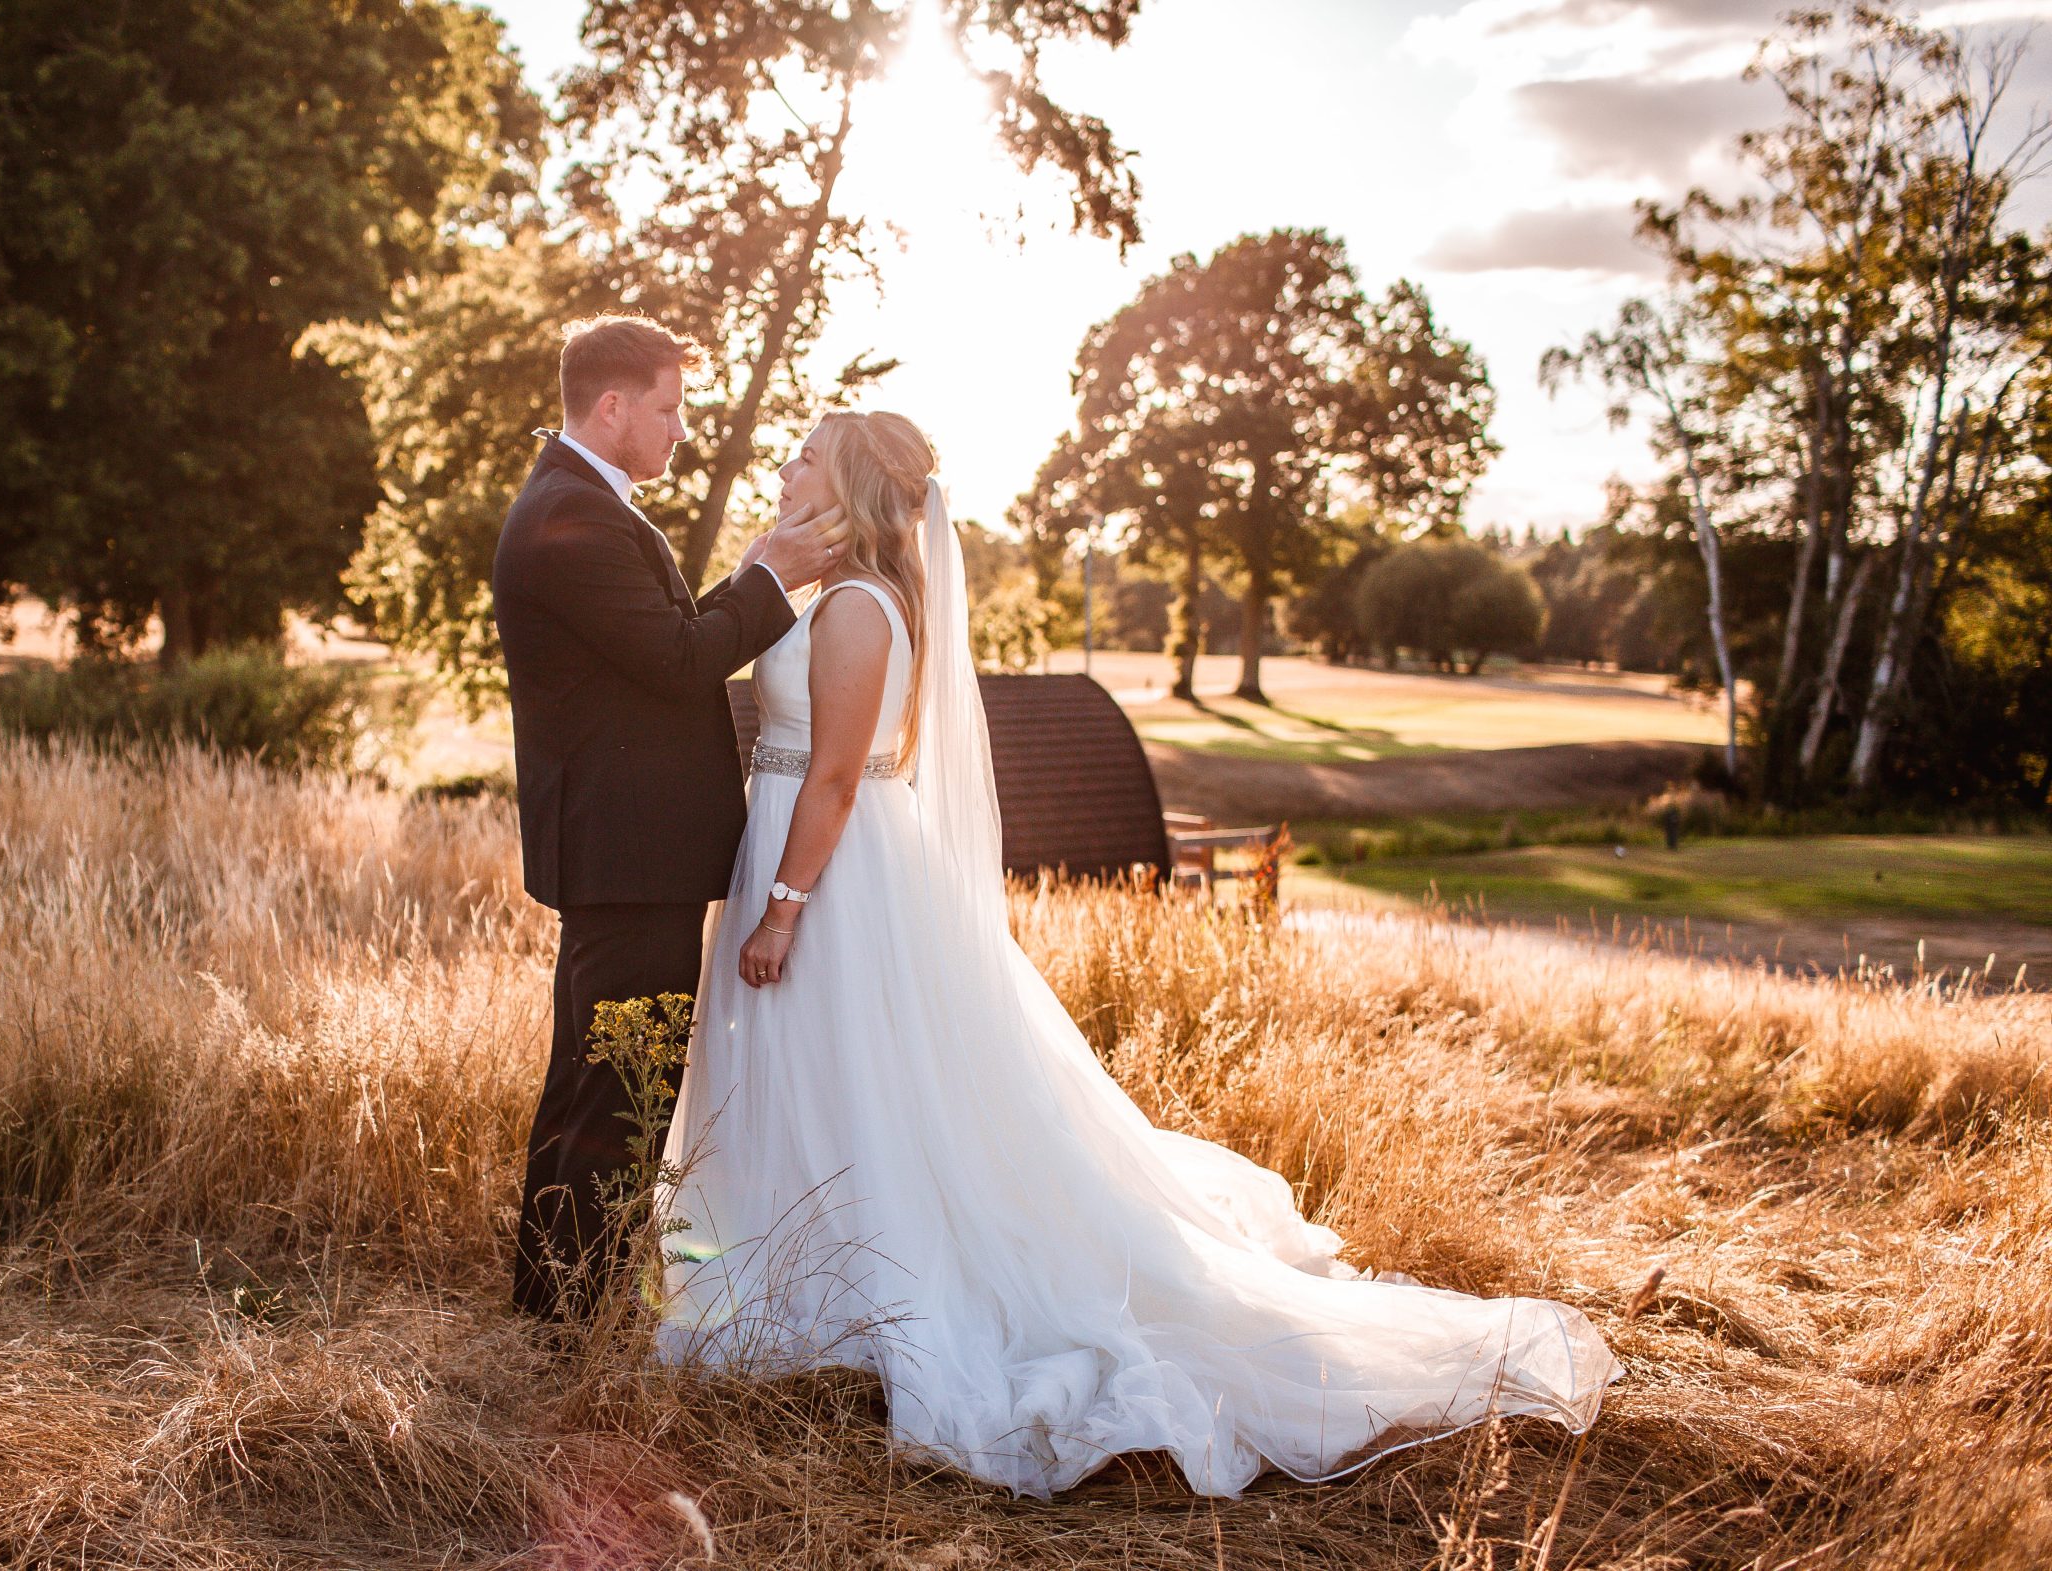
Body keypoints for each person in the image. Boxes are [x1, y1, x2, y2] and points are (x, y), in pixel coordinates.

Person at [655, 409, 1619, 1498]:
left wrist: (782, 909)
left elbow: (831, 778)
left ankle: (855, 1281)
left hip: (828, 872)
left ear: (850, 489)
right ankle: (787, 1265)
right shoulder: (830, 594)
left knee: (855, 1070)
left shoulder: (855, 613)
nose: (781, 464)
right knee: (831, 1072)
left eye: (802, 454)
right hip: (819, 857)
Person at [489, 314, 846, 1320]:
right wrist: (772, 577)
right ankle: (570, 1315)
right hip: (627, 853)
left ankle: (548, 1306)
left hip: (621, 851)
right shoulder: (574, 517)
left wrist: (750, 578)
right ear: (612, 408)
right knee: (617, 1091)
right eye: (668, 406)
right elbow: (683, 661)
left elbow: (663, 646)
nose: (680, 428)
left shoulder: (582, 504)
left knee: (592, 1081)